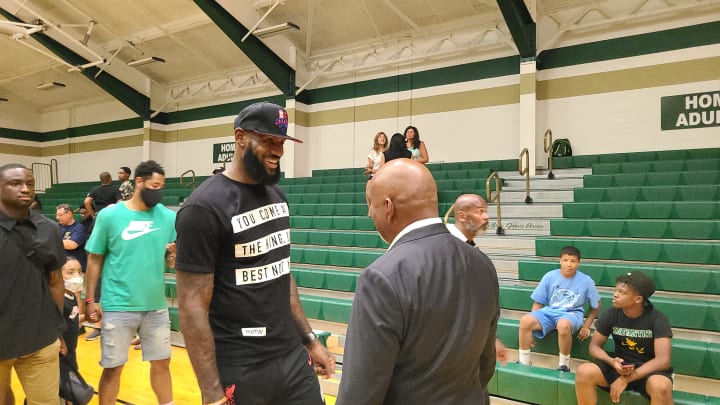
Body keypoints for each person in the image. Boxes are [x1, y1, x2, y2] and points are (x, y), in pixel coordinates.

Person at [175, 101, 335, 405]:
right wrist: (211, 393)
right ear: (240, 138)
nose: (278, 151)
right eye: (268, 141)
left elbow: (282, 273)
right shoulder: (203, 208)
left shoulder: (277, 196)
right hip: (240, 366)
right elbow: (192, 307)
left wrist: (310, 340)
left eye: (281, 142)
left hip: (291, 357)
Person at [337, 159, 499, 404]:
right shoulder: (483, 264)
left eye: (371, 205)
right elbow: (485, 365)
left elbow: (360, 393)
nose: (370, 213)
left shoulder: (382, 277)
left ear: (388, 207)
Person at [84, 160, 176, 405]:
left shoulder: (168, 217)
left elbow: (171, 260)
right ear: (138, 182)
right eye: (154, 185)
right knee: (113, 368)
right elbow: (94, 259)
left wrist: (174, 256)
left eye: (161, 187)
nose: (158, 190)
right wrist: (90, 299)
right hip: (118, 305)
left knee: (162, 363)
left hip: (155, 305)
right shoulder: (110, 215)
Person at [0, 163, 67, 405]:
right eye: (15, 183)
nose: (25, 189)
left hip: (40, 338)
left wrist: (57, 328)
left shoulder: (48, 229)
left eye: (29, 183)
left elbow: (56, 281)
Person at [575, 272, 673, 405]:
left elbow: (663, 360)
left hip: (647, 370)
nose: (615, 294)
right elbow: (594, 347)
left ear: (638, 299)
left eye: (622, 292)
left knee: (661, 387)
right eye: (616, 290)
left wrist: (626, 379)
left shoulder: (657, 319)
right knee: (584, 371)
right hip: (620, 366)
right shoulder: (610, 314)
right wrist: (611, 361)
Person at [446, 193, 508, 365]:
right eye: (480, 211)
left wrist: (490, 340)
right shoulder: (445, 246)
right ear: (461, 216)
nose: (486, 216)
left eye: (486, 211)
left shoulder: (472, 250)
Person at [517, 246, 601, 371]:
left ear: (579, 262)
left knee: (563, 324)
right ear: (560, 261)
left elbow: (597, 304)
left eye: (573, 261)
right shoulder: (550, 276)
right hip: (550, 311)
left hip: (572, 314)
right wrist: (530, 327)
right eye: (566, 260)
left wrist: (586, 325)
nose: (569, 264)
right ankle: (523, 361)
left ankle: (564, 365)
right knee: (525, 320)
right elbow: (538, 302)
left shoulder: (586, 280)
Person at [61, 257, 84, 370]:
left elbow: (72, 318)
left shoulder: (72, 295)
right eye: (71, 272)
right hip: (61, 350)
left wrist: (87, 318)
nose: (77, 276)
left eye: (79, 271)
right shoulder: (59, 299)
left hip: (71, 348)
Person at [56, 203, 88, 272]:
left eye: (60, 215)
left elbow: (71, 245)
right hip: (61, 266)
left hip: (76, 268)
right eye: (57, 215)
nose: (57, 217)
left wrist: (52, 240)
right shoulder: (57, 227)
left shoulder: (79, 228)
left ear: (70, 214)